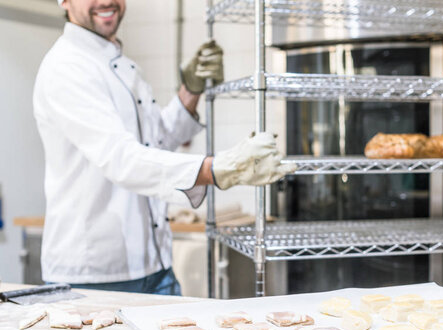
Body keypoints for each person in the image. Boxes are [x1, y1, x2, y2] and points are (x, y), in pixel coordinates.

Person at [33, 0, 294, 295]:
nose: (106, 2)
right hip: (95, 273)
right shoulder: (68, 67)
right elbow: (120, 159)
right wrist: (218, 169)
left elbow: (157, 140)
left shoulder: (124, 66)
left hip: (156, 264)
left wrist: (191, 90)